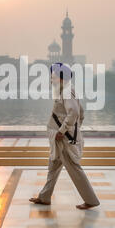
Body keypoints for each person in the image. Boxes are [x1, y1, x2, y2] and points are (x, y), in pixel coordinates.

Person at [29, 62, 100, 210]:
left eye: (53, 77)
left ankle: (91, 200)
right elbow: (81, 113)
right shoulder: (65, 91)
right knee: (53, 167)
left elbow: (74, 112)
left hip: (63, 140)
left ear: (61, 79)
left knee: (74, 169)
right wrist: (74, 129)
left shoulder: (67, 92)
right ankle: (44, 197)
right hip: (59, 139)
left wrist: (63, 131)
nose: (51, 80)